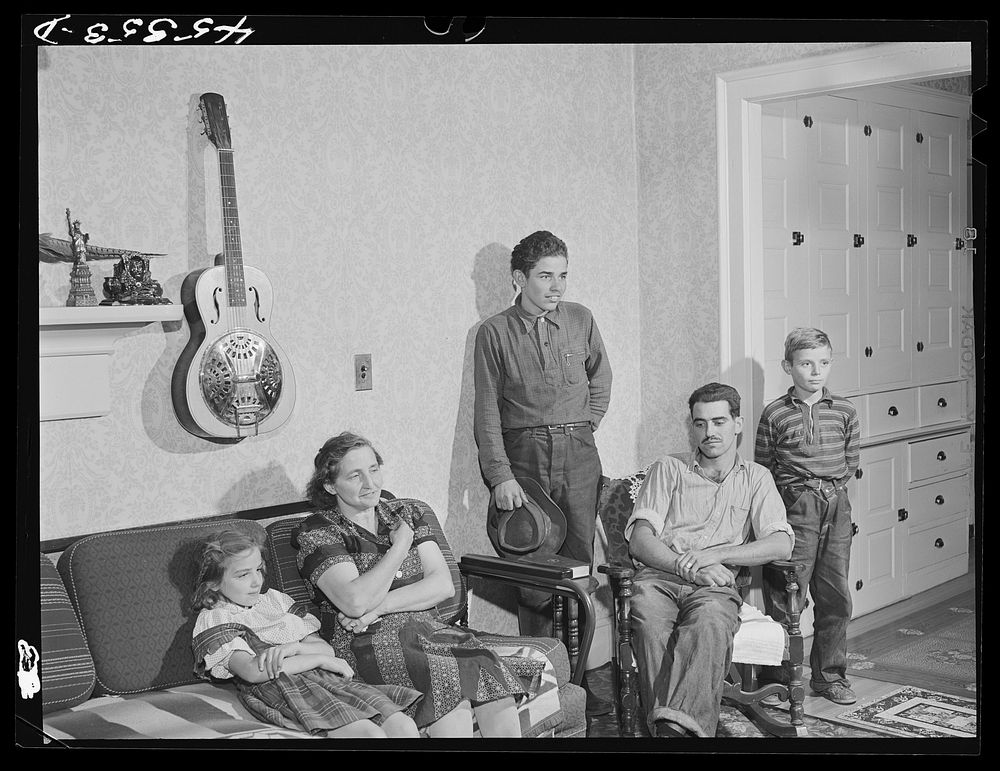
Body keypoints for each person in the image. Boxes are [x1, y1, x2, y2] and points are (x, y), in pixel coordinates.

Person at [293, 432, 561, 738]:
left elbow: (441, 585)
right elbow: (354, 602)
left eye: (374, 469)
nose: (370, 483)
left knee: (487, 668)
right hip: (365, 641)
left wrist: (375, 608)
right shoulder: (319, 532)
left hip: (427, 629)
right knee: (448, 680)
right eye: (355, 476)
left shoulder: (407, 513)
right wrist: (399, 547)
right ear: (330, 485)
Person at [472, 230, 612, 713]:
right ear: (520, 278)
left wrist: (585, 426)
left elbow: (602, 378)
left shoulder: (581, 320)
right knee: (533, 575)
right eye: (546, 276)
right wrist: (500, 476)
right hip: (524, 461)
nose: (557, 287)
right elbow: (487, 411)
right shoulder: (494, 332)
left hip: (578, 456)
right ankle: (539, 686)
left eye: (563, 275)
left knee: (579, 569)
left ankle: (583, 684)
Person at [625, 382, 795, 737]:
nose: (709, 432)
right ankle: (681, 730)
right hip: (659, 577)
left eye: (718, 422)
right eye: (700, 423)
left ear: (738, 423)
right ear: (692, 427)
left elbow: (781, 543)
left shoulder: (756, 478)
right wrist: (683, 565)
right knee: (651, 625)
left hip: (717, 586)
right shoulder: (669, 469)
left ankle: (669, 731)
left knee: (709, 624)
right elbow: (640, 540)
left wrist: (714, 555)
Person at [190, 528, 421, 738]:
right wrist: (318, 659)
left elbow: (326, 649)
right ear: (213, 584)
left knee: (404, 726)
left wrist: (296, 648)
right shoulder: (217, 616)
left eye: (258, 569)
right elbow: (254, 672)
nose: (255, 581)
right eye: (242, 575)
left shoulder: (274, 600)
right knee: (370, 735)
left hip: (326, 678)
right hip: (283, 687)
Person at [755, 327, 861, 706]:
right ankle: (779, 679)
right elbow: (763, 468)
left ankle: (829, 676)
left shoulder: (845, 410)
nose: (816, 371)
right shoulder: (775, 414)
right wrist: (796, 497)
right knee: (787, 594)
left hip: (836, 506)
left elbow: (851, 461)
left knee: (835, 596)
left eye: (823, 363)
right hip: (794, 507)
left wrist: (829, 493)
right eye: (805, 363)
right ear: (788, 366)